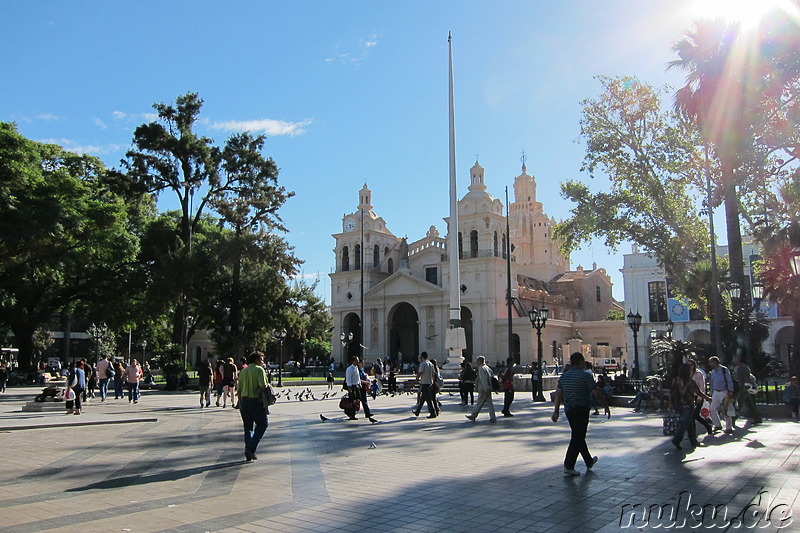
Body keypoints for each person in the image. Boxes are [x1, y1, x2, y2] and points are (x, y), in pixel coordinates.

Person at [551, 352, 610, 476]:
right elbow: (596, 393)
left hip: (569, 410)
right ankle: (568, 465)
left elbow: (558, 394)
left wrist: (556, 411)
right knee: (578, 437)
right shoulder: (585, 376)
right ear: (581, 361)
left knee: (578, 435)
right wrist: (605, 406)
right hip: (582, 409)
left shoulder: (564, 376)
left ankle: (588, 461)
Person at [670, 362, 712, 450]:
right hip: (689, 405)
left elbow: (672, 393)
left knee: (689, 423)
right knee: (685, 424)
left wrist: (671, 404)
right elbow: (699, 392)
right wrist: (708, 398)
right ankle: (677, 439)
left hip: (679, 405)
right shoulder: (691, 382)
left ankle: (693, 441)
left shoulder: (676, 380)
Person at [236, 351, 269, 461]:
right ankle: (250, 447)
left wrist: (240, 402)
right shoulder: (259, 370)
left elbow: (239, 389)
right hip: (255, 401)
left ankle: (249, 451)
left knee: (248, 426)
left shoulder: (243, 371)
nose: (262, 362)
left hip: (244, 401)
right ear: (256, 360)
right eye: (261, 359)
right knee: (263, 424)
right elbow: (263, 386)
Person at [707, 356, 735, 433]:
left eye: (711, 362)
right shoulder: (712, 372)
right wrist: (711, 393)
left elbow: (729, 380)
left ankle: (729, 427)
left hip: (724, 391)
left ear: (715, 362)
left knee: (725, 409)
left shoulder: (724, 370)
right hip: (715, 392)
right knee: (712, 408)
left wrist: (730, 390)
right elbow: (712, 383)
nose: (710, 364)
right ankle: (717, 424)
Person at [732, 355, 762, 426]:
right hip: (741, 388)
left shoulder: (744, 367)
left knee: (738, 404)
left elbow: (747, 379)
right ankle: (757, 418)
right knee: (750, 404)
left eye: (734, 358)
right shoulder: (737, 368)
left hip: (744, 389)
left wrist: (745, 388)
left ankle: (733, 419)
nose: (733, 360)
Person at [466, 356, 497, 423]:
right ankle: (493, 417)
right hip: (488, 388)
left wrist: (486, 388)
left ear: (480, 361)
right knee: (489, 403)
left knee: (479, 402)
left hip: (483, 389)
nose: (476, 362)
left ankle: (473, 415)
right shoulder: (488, 368)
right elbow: (492, 377)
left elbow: (483, 379)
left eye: (477, 361)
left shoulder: (481, 369)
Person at [688, 359, 713, 435]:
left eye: (691, 365)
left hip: (698, 396)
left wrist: (700, 397)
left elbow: (702, 386)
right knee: (691, 416)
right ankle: (693, 433)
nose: (690, 366)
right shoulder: (688, 374)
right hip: (691, 397)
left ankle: (707, 426)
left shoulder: (699, 374)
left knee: (695, 415)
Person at [412, 352, 437, 418]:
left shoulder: (423, 364)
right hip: (429, 383)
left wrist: (416, 380)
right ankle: (417, 411)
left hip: (424, 383)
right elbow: (433, 374)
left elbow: (420, 373)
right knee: (422, 399)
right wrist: (432, 382)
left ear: (422, 357)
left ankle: (433, 413)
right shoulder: (431, 364)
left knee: (428, 400)